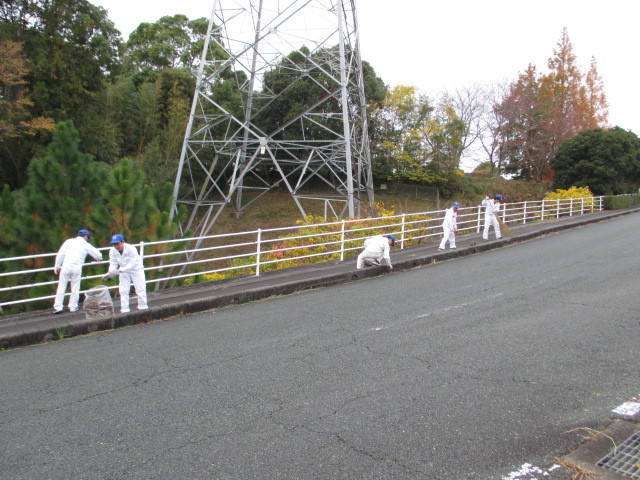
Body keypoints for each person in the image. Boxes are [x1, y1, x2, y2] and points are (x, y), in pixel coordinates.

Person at [53, 229, 103, 314]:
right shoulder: (85, 244)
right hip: (77, 267)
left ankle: (58, 307)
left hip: (66, 266)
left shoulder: (69, 241)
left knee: (61, 286)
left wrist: (57, 265)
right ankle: (73, 306)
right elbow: (98, 254)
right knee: (75, 287)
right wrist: (99, 259)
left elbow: (61, 254)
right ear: (86, 236)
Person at [103, 234, 148, 313]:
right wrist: (111, 272)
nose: (116, 246)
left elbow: (133, 263)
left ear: (122, 242)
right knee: (123, 290)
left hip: (136, 269)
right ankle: (124, 309)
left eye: (117, 243)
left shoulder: (131, 248)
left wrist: (121, 270)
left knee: (140, 288)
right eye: (114, 244)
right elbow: (113, 263)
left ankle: (143, 307)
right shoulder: (112, 251)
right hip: (123, 270)